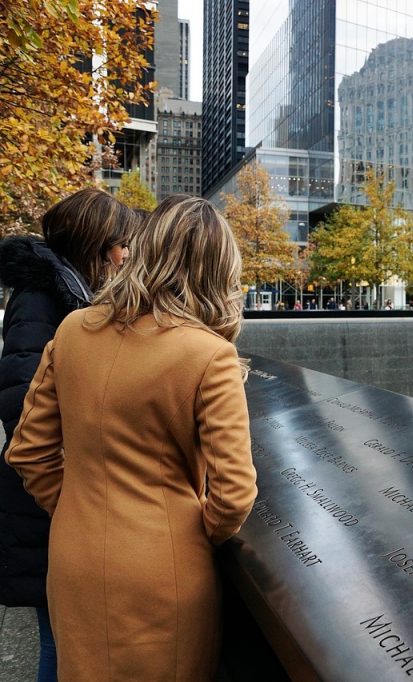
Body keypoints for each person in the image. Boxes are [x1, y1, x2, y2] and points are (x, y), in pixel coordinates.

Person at [5, 195, 258, 680]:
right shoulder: (210, 356)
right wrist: (183, 534)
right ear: (218, 269)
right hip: (163, 571)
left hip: (73, 557)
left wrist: (75, 506)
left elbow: (28, 452)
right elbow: (233, 496)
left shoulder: (74, 330)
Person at [0, 187, 138, 682]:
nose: (126, 255)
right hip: (44, 505)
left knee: (67, 639)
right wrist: (68, 498)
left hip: (52, 500)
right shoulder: (43, 299)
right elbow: (23, 407)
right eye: (121, 244)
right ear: (97, 244)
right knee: (61, 643)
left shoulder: (64, 292)